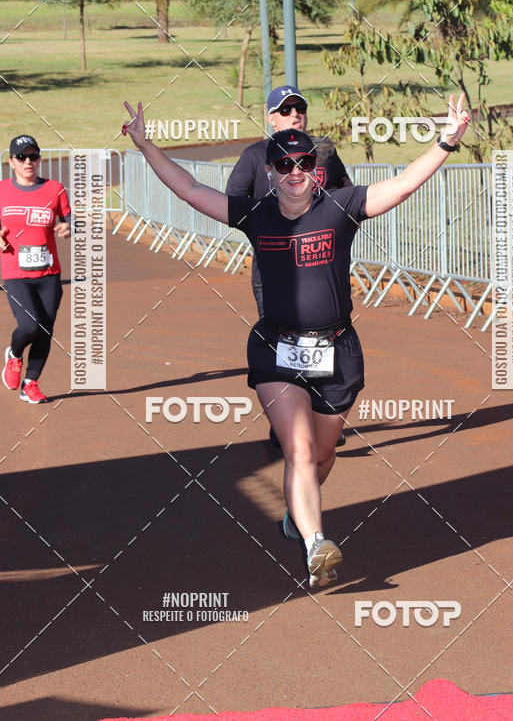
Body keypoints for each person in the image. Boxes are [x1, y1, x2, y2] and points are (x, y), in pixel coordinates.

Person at [123, 94, 469, 587]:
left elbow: (403, 184)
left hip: (338, 351)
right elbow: (190, 189)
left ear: (315, 170)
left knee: (323, 456)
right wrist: (144, 144)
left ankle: (297, 512)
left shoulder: (342, 208)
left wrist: (446, 141)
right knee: (301, 451)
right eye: (283, 163)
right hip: (276, 351)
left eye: (303, 162)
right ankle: (314, 544)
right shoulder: (254, 215)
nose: (294, 171)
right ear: (269, 171)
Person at [225, 84, 351, 448]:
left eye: (299, 108)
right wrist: (271, 214)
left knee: (323, 340)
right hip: (273, 271)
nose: (294, 114)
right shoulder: (255, 155)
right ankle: (286, 419)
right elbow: (235, 199)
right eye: (285, 110)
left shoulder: (323, 151)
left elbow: (345, 191)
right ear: (270, 117)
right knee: (284, 344)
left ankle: (321, 415)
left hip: (322, 267)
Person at [0, 135, 71, 404]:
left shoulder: (54, 189)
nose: (28, 161)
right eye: (22, 157)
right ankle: (14, 354)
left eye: (33, 156)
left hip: (49, 273)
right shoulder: (1, 191)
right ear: (11, 162)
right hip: (15, 271)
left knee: (45, 329)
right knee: (29, 325)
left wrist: (69, 227)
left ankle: (31, 382)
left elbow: (71, 217)